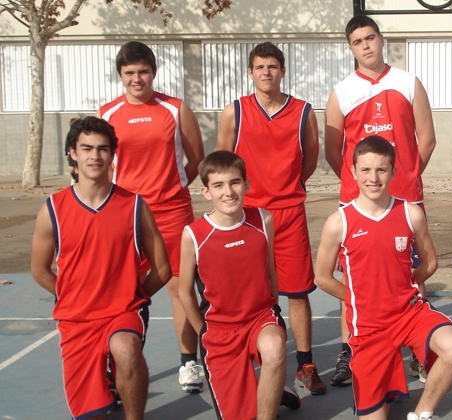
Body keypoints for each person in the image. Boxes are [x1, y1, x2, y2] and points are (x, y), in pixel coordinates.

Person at [315, 136, 452, 420]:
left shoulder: (410, 213)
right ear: (353, 171)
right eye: (365, 169)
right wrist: (359, 298)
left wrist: (402, 286)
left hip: (408, 312)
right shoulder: (339, 222)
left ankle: (421, 415)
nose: (373, 178)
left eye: (381, 170)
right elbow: (322, 278)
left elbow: (430, 262)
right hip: (369, 325)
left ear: (394, 172)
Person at [30, 116, 171, 420]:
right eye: (87, 148)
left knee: (127, 349)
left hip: (123, 311)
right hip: (77, 319)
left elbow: (163, 268)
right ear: (72, 153)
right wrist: (71, 295)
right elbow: (39, 270)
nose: (95, 156)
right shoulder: (52, 209)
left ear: (112, 155)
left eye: (103, 149)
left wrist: (135, 296)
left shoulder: (135, 205)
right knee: (92, 414)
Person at [325, 14, 437, 386]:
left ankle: (418, 350)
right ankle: (349, 350)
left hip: (404, 197)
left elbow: (427, 138)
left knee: (412, 273)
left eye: (370, 38)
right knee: (355, 279)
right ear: (350, 48)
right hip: (358, 202)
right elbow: (333, 151)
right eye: (358, 41)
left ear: (381, 38)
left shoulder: (408, 82)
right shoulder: (341, 92)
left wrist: (408, 176)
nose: (366, 46)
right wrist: (358, 184)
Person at [216, 41, 325, 396]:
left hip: (289, 213)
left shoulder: (303, 111)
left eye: (272, 66)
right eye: (260, 67)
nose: (266, 72)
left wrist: (287, 187)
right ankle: (247, 361)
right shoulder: (234, 112)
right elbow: (222, 164)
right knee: (247, 293)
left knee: (297, 291)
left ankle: (305, 364)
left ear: (283, 71)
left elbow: (309, 161)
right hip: (248, 215)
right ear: (250, 72)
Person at [97, 41, 206, 393]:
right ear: (120, 75)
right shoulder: (108, 114)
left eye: (143, 71)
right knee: (122, 290)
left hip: (173, 212)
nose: (137, 78)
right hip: (126, 215)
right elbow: (102, 166)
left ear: (154, 72)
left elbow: (196, 160)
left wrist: (172, 187)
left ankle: (188, 362)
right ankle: (118, 365)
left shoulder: (175, 108)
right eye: (129, 72)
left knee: (179, 287)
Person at [178, 151, 300, 420]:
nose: (228, 192)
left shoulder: (263, 220)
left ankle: (269, 397)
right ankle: (273, 391)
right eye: (218, 185)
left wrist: (272, 309)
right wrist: (203, 332)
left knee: (274, 347)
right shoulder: (194, 235)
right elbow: (184, 292)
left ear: (246, 185)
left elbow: (271, 272)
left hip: (259, 318)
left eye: (235, 183)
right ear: (206, 192)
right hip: (219, 330)